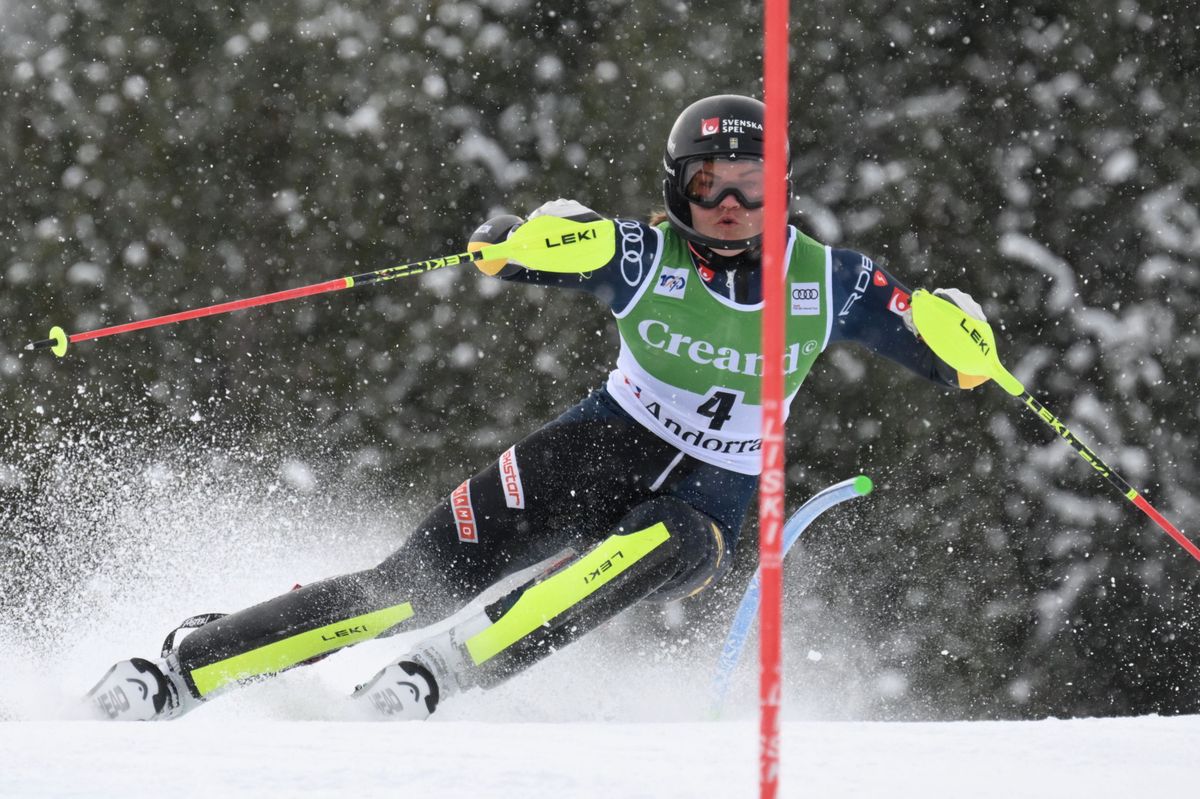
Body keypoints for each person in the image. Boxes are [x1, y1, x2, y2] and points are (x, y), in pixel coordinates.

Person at [86, 94, 990, 722]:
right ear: (678, 187)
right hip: (603, 441)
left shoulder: (831, 281)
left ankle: (440, 673)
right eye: (707, 182)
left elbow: (956, 365)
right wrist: (510, 243)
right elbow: (528, 249)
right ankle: (183, 669)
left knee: (664, 543)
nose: (728, 204)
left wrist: (964, 339)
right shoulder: (640, 254)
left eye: (750, 183)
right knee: (405, 588)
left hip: (720, 492)